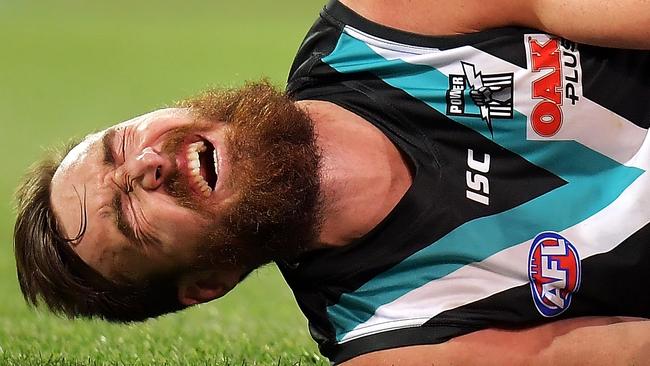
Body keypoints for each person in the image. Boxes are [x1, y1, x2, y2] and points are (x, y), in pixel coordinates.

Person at [13, 0, 650, 364]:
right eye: (130, 215)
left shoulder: (387, 22)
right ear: (207, 285)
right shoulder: (398, 342)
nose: (142, 166)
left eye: (121, 145)